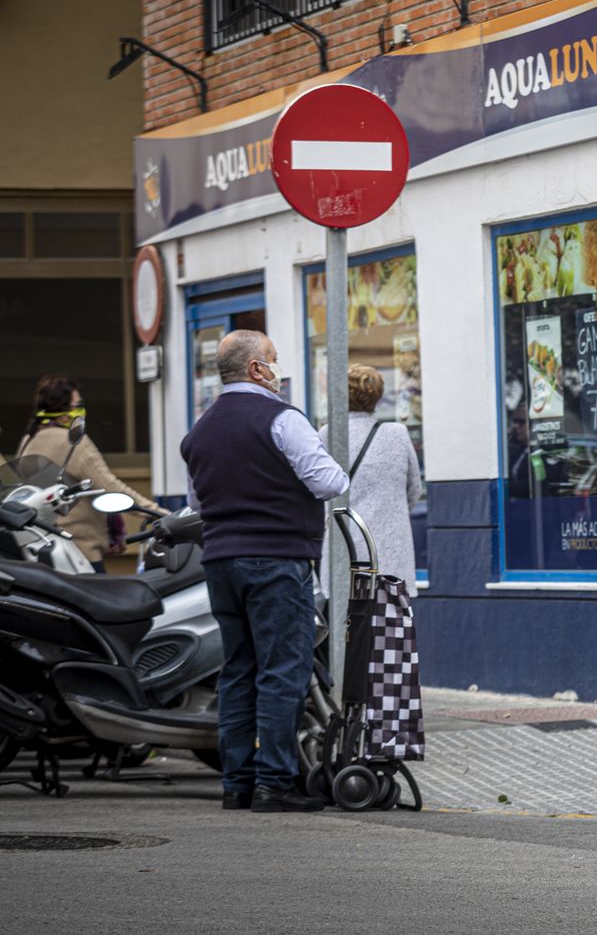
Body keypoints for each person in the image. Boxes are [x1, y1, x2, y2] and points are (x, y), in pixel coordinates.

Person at [180, 329, 348, 814]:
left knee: (237, 671)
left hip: (220, 563)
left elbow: (197, 502)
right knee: (283, 670)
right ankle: (276, 782)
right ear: (257, 369)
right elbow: (330, 481)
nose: (278, 370)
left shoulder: (200, 431)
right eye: (273, 360)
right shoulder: (282, 419)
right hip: (277, 559)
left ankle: (237, 784)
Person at [16, 374, 162, 572]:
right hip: (80, 553)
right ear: (63, 410)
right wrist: (155, 511)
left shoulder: (28, 441)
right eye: (78, 404)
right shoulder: (72, 441)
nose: (81, 409)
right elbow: (109, 486)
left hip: (42, 549)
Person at [319, 365, 423, 596]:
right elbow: (414, 490)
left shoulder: (329, 434)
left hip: (343, 549)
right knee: (387, 627)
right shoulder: (398, 434)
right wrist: (389, 514)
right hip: (390, 553)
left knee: (343, 624)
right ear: (377, 395)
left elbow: (317, 489)